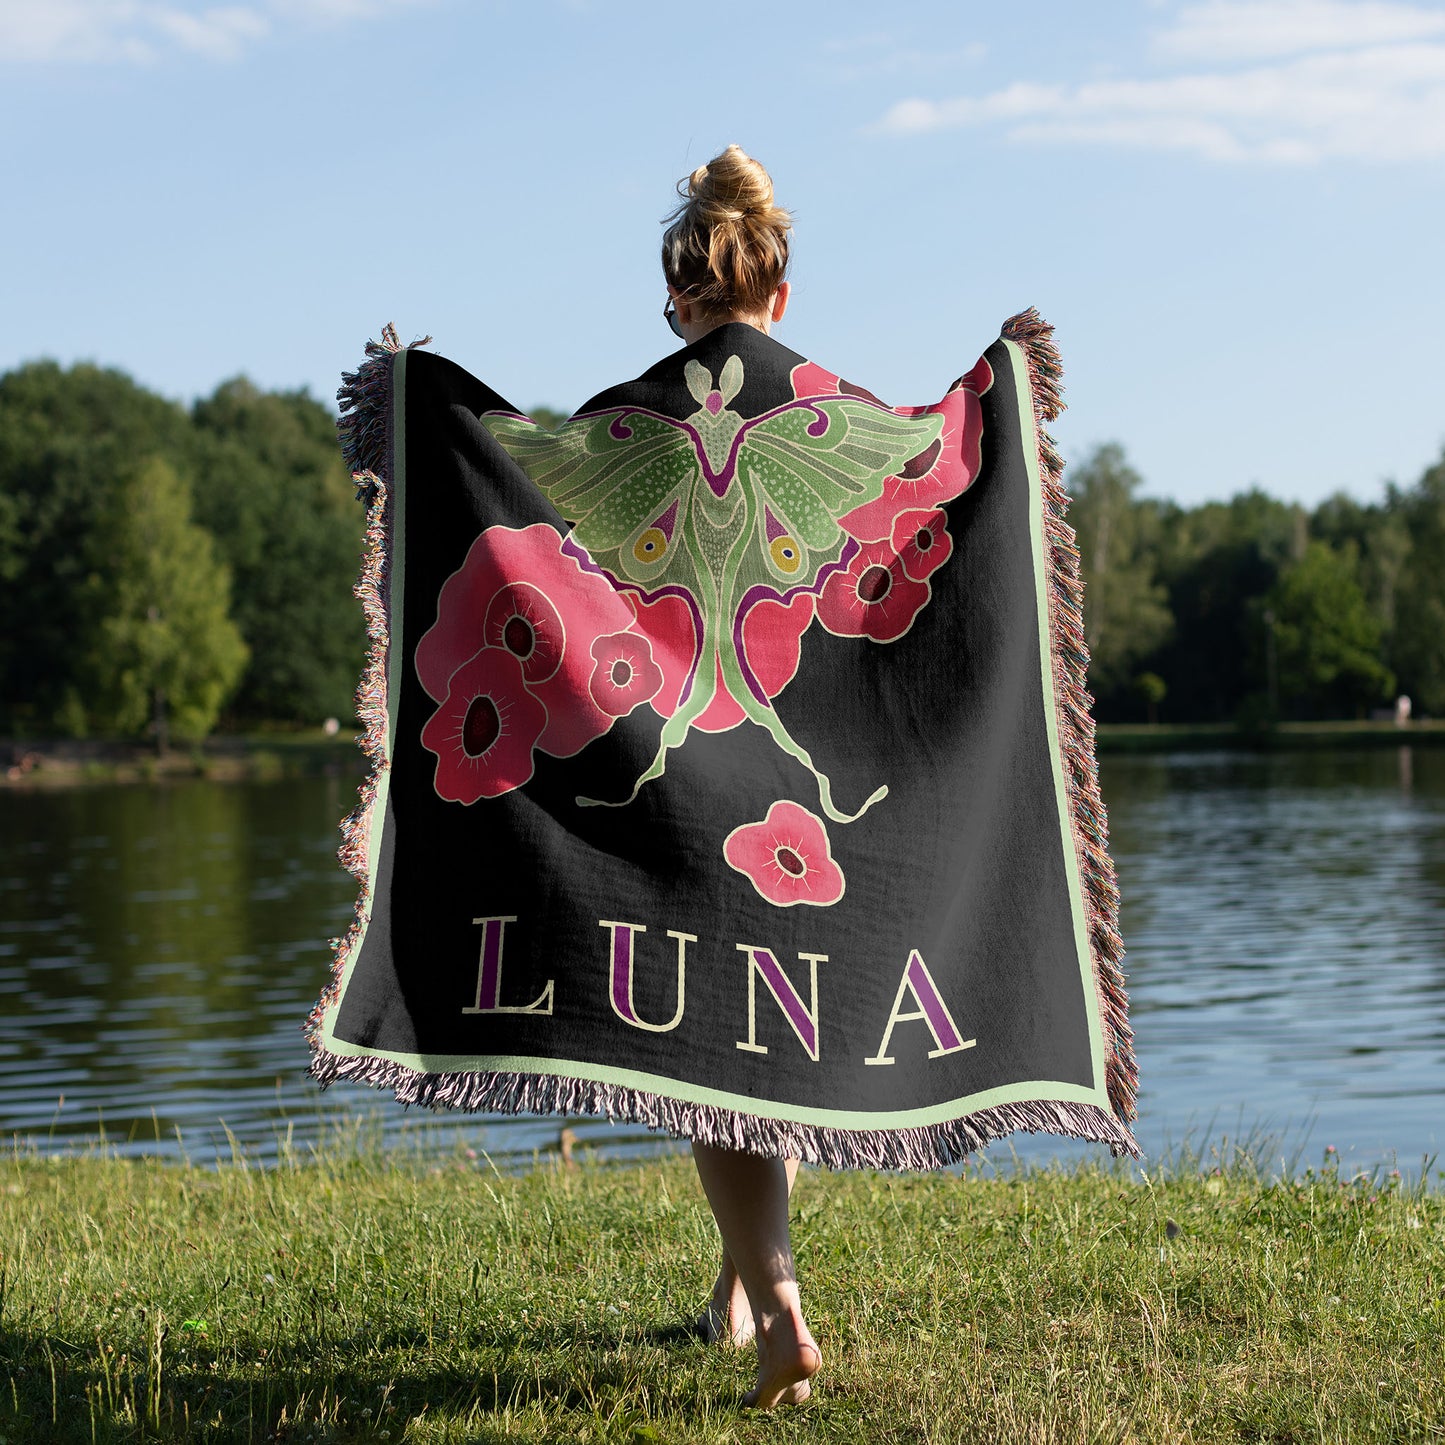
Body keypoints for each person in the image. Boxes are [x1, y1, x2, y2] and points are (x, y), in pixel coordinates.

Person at [659, 144, 821, 1411]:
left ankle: (776, 1306)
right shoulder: (832, 412)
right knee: (776, 1020)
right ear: (778, 291)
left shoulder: (637, 413)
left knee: (712, 1050)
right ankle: (733, 1286)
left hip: (680, 769)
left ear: (679, 298)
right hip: (802, 787)